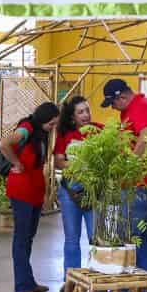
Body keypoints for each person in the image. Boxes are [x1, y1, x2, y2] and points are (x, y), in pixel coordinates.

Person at [100, 77, 147, 272]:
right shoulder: (130, 109)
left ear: (121, 96)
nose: (113, 108)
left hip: (143, 181)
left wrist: (129, 165)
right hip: (139, 181)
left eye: (113, 103)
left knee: (128, 234)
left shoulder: (141, 107)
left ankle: (128, 287)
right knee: (141, 233)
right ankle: (143, 286)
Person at [4, 101, 61, 292]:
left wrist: (45, 194)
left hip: (35, 191)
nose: (53, 128)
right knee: (21, 239)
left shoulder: (40, 134)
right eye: (51, 124)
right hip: (22, 191)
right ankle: (22, 287)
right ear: (42, 118)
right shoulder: (27, 128)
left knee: (28, 237)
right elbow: (4, 144)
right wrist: (16, 163)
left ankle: (28, 281)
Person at [53, 94, 96, 275]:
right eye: (81, 112)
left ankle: (98, 281)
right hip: (70, 191)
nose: (86, 115)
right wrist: (79, 164)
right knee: (72, 239)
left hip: (95, 191)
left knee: (96, 239)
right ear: (73, 117)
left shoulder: (99, 131)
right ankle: (71, 281)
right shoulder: (66, 136)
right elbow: (58, 161)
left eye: (87, 110)